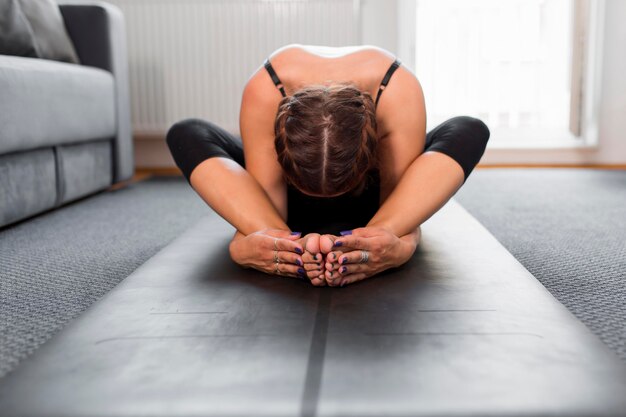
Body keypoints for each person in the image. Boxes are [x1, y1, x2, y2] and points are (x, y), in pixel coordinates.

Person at [166, 44, 490, 288]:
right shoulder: (266, 87)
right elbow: (267, 204)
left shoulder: (398, 88)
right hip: (288, 206)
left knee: (468, 129)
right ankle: (281, 240)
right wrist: (246, 245)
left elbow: (400, 204)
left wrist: (401, 242)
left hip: (370, 204)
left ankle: (374, 235)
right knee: (187, 133)